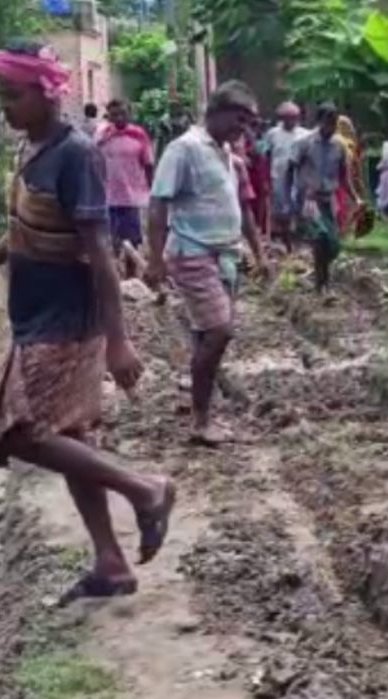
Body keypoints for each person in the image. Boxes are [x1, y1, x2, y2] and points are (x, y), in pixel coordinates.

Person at [0, 43, 175, 605]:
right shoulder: (30, 147)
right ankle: (111, 563)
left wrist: (119, 340)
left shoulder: (76, 155)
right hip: (34, 313)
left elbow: (102, 254)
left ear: (45, 92)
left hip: (69, 317)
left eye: (13, 95)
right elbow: (23, 229)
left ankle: (146, 489)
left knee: (16, 433)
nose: (6, 107)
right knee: (67, 436)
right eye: (2, 97)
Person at [146, 80, 269, 446]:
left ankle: (202, 410)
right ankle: (201, 421)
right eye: (240, 118)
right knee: (220, 331)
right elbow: (157, 203)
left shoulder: (225, 153)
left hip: (224, 254)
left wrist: (259, 252)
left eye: (249, 122)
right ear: (216, 111)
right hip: (192, 251)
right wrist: (154, 260)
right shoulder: (184, 149)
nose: (243, 128)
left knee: (207, 335)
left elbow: (243, 209)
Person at [287, 102, 359, 293]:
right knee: (321, 236)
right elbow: (290, 168)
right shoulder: (305, 143)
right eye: (328, 122)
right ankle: (322, 283)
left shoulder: (339, 146)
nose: (331, 127)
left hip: (327, 199)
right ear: (319, 121)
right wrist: (289, 195)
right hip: (309, 200)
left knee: (334, 244)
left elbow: (344, 176)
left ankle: (321, 276)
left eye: (334, 123)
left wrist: (356, 198)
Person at [97, 99, 154, 279]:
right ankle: (114, 279)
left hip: (132, 197)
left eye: (123, 113)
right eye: (114, 114)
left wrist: (153, 191)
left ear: (129, 114)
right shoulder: (102, 137)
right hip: (108, 196)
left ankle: (132, 277)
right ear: (109, 116)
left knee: (132, 240)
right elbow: (94, 162)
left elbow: (149, 164)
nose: (119, 117)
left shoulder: (139, 136)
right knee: (111, 241)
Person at [260, 102, 309, 252]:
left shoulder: (305, 135)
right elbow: (266, 157)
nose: (291, 121)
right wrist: (265, 179)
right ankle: (288, 245)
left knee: (301, 212)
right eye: (287, 118)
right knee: (283, 213)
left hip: (300, 180)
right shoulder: (272, 134)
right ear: (281, 118)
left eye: (294, 118)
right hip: (279, 178)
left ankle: (300, 243)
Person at [334, 115, 364, 236]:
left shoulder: (349, 142)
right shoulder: (341, 141)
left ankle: (342, 232)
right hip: (342, 177)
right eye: (346, 125)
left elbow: (356, 161)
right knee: (343, 206)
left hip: (347, 177)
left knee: (346, 206)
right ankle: (341, 232)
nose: (350, 128)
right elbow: (354, 162)